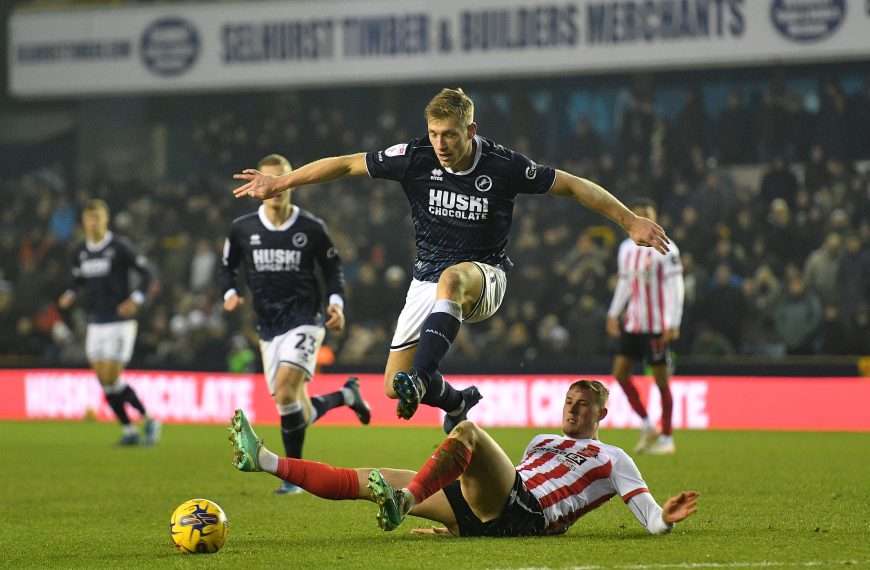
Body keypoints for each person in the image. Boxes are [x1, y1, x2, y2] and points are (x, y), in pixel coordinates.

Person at [232, 88, 670, 432]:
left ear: (471, 129)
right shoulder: (415, 157)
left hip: (484, 277)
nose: (440, 143)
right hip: (426, 281)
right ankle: (456, 401)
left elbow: (573, 186)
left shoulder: (503, 165)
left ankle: (423, 376)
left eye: (450, 134)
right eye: (434, 133)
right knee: (389, 386)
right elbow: (346, 165)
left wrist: (629, 220)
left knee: (452, 281)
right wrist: (282, 182)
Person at [228, 380, 699, 537]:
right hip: (495, 508)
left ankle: (406, 501)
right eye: (569, 403)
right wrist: (456, 520)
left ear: (602, 413)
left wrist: (666, 519)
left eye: (583, 406)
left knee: (468, 430)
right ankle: (265, 459)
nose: (573, 410)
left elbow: (650, 517)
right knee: (370, 476)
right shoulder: (540, 441)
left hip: (528, 510)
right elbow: (489, 479)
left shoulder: (612, 457)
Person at [220, 153, 372, 495]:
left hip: (305, 318)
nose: (273, 187)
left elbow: (333, 271)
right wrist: (229, 291)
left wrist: (336, 304)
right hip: (267, 324)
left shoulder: (311, 228)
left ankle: (293, 475)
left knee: (287, 390)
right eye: (265, 179)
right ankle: (345, 396)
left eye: (281, 179)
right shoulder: (242, 228)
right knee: (292, 407)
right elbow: (227, 266)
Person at [57, 199, 160, 446]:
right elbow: (78, 279)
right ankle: (129, 430)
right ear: (83, 222)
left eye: (97, 218)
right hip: (95, 321)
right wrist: (70, 294)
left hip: (120, 321)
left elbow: (147, 274)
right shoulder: (80, 251)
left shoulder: (120, 246)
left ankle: (148, 419)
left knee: (111, 376)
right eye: (89, 218)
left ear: (106, 219)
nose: (93, 223)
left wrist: (136, 298)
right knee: (104, 379)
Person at [606, 199, 684, 455]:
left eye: (646, 214)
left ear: (655, 217)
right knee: (620, 374)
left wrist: (673, 322)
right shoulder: (625, 249)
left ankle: (667, 437)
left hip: (656, 325)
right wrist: (614, 313)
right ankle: (648, 424)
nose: (642, 218)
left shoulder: (668, 248)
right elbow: (625, 283)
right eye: (637, 214)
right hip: (633, 323)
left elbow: (676, 287)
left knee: (661, 381)